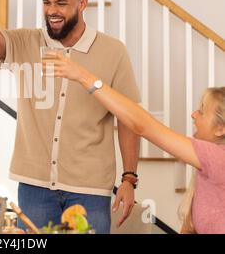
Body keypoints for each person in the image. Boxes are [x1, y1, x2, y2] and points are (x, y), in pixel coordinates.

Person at [0, 0, 141, 233]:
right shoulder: (27, 41)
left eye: (61, 4)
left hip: (90, 188)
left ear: (82, 3)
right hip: (34, 188)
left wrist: (129, 179)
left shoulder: (113, 51)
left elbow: (128, 117)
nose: (52, 10)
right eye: (47, 2)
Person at [48, 53, 225, 234]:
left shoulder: (218, 158)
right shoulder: (205, 168)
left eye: (202, 111)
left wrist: (85, 77)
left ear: (220, 129)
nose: (194, 115)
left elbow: (143, 125)